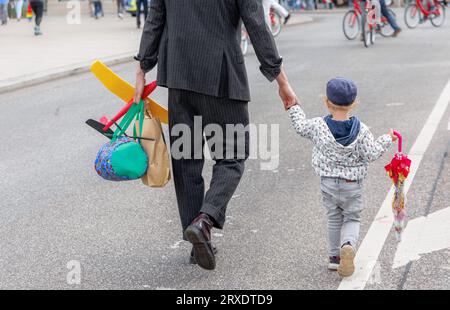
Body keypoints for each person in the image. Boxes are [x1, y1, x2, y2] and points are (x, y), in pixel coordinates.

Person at [134, 0, 298, 270]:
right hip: (221, 76)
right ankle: (204, 220)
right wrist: (281, 80)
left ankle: (196, 240)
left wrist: (142, 68)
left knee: (186, 158)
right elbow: (256, 24)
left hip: (178, 74)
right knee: (232, 155)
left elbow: (155, 17)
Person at [285, 77, 396, 277]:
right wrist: (388, 138)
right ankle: (348, 245)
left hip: (328, 183)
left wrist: (293, 106)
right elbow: (371, 153)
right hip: (352, 184)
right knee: (352, 218)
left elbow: (300, 126)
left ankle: (335, 258)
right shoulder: (361, 131)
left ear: (326, 102)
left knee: (334, 218)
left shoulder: (318, 125)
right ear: (354, 104)